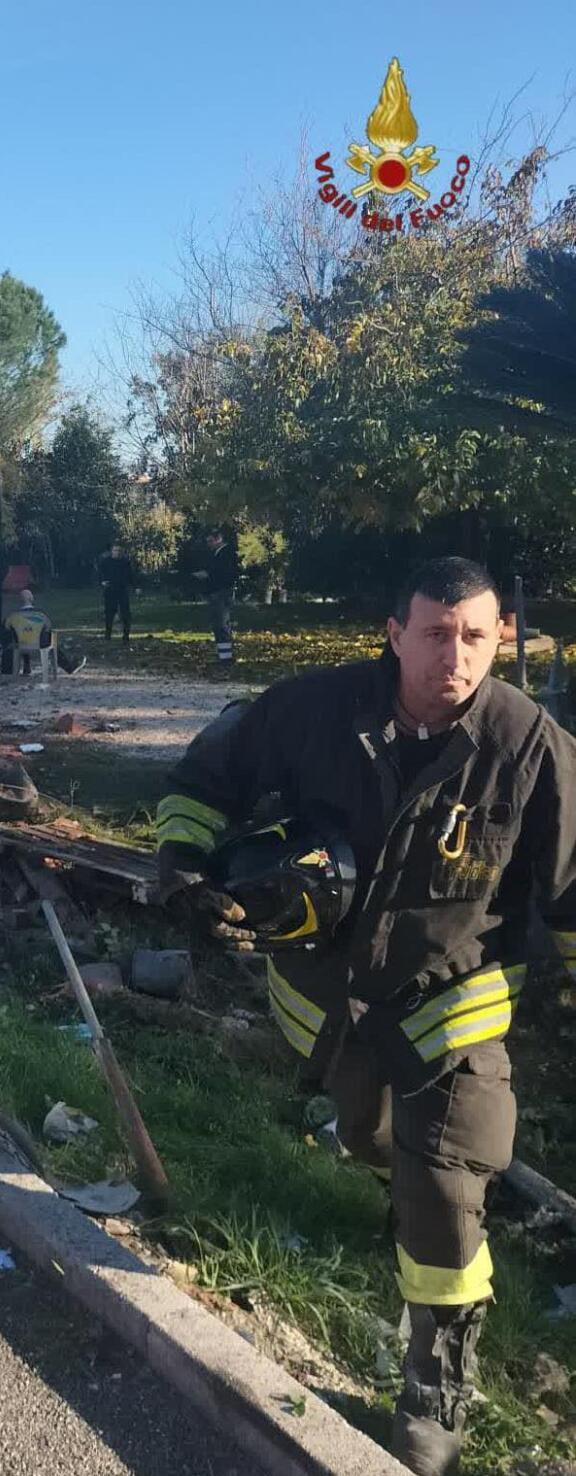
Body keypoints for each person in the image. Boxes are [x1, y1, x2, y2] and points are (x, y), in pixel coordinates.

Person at [155, 557, 576, 1476]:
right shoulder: (313, 709)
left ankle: (436, 1382)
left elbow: (573, 882)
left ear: (501, 635)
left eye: (477, 636)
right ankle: (405, 1185)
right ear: (394, 633)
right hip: (331, 1001)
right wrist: (186, 856)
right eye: (436, 633)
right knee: (369, 1136)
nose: (456, 657)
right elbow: (207, 773)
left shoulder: (529, 744)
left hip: (454, 1003)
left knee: (446, 1181)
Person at [3, 589, 85, 674]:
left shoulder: (12, 617)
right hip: (39, 646)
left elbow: (6, 628)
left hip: (19, 646)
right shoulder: (41, 615)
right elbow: (48, 627)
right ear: (32, 599)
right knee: (50, 640)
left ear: (19, 601)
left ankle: (24, 667)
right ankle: (69, 667)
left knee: (19, 636)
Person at [192, 528, 239, 663]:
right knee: (219, 625)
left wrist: (208, 575)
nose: (209, 545)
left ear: (219, 538)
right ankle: (223, 655)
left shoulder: (226, 554)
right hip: (218, 592)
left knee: (221, 625)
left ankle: (226, 657)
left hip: (221, 593)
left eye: (211, 541)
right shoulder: (219, 554)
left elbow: (224, 575)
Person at [99, 543, 134, 643]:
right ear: (112, 551)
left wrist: (136, 586)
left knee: (125, 613)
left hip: (122, 590)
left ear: (122, 552)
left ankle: (126, 636)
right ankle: (108, 634)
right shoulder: (106, 562)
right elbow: (100, 574)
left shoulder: (125, 562)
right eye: (115, 550)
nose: (117, 553)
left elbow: (131, 575)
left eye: (119, 551)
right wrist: (102, 582)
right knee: (109, 613)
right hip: (110, 590)